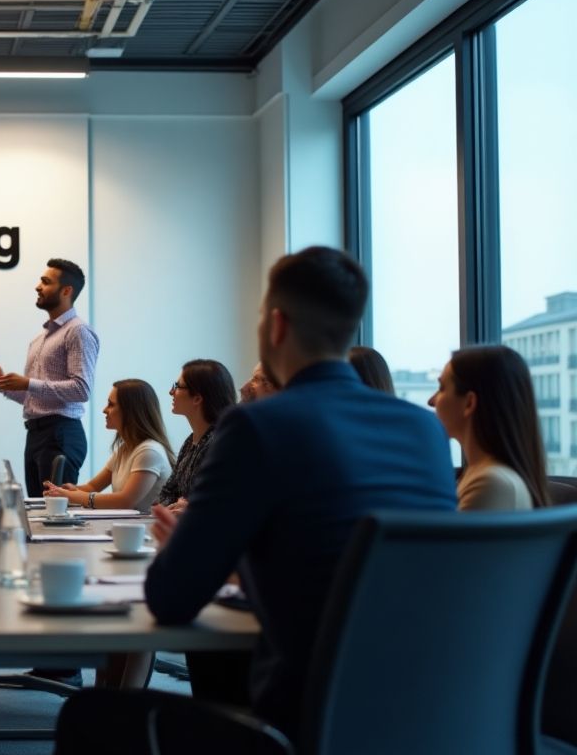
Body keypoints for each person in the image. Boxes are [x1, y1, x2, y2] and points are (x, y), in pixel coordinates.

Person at [143, 246, 457, 738]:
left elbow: (171, 599)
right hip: (431, 714)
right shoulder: (426, 431)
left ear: (276, 326)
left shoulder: (256, 426)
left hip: (300, 720)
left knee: (92, 718)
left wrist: (176, 549)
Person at [0, 258, 100, 497]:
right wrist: (3, 384)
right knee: (36, 512)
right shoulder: (39, 339)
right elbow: (34, 397)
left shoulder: (78, 331)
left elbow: (81, 389)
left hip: (61, 434)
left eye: (45, 281)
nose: (37, 286)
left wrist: (28, 383)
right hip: (36, 435)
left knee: (52, 515)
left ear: (66, 291)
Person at [429, 345, 549, 511]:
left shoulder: (491, 483)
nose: (431, 401)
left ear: (469, 403)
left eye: (442, 388)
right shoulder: (482, 476)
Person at [42, 379, 174, 512]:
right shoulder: (124, 449)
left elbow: (124, 501)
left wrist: (71, 496)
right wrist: (67, 490)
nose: (104, 410)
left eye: (111, 405)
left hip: (146, 531)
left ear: (130, 411)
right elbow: (91, 487)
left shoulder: (149, 451)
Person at [156, 359, 235, 507]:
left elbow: (218, 501)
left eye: (177, 386)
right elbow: (167, 492)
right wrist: (175, 506)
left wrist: (188, 506)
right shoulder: (190, 441)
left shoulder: (221, 442)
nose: (171, 391)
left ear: (197, 398)